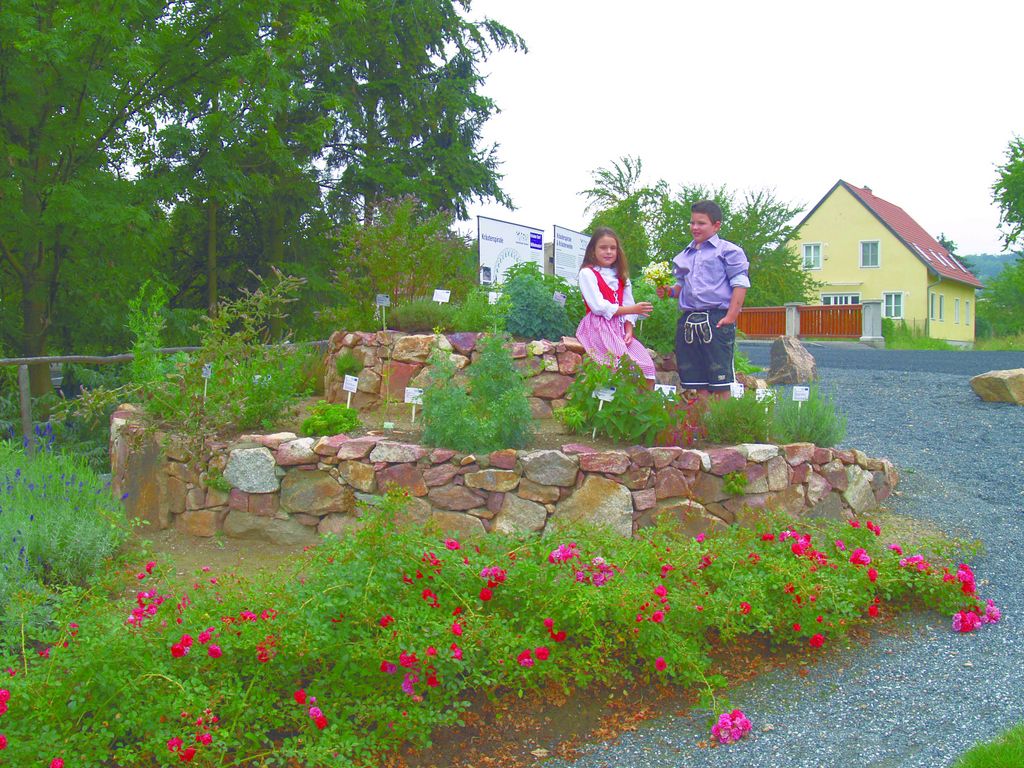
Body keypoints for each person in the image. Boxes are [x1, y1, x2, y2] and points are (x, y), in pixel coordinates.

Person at [656, 200, 749, 397]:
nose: (695, 227)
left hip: (717, 318)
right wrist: (669, 291)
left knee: (720, 379)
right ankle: (703, 424)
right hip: (689, 319)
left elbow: (740, 283)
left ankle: (722, 424)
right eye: (692, 223)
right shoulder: (684, 256)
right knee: (697, 380)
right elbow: (681, 286)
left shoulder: (728, 251)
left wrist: (731, 316)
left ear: (716, 225)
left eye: (701, 223)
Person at [575, 227, 656, 381]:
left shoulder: (621, 276)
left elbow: (628, 301)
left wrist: (629, 329)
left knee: (647, 365)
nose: (609, 252)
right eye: (603, 248)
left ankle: (641, 403)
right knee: (619, 363)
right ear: (593, 250)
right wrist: (634, 309)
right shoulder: (588, 273)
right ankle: (611, 401)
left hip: (618, 328)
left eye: (613, 248)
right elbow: (598, 306)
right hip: (598, 326)